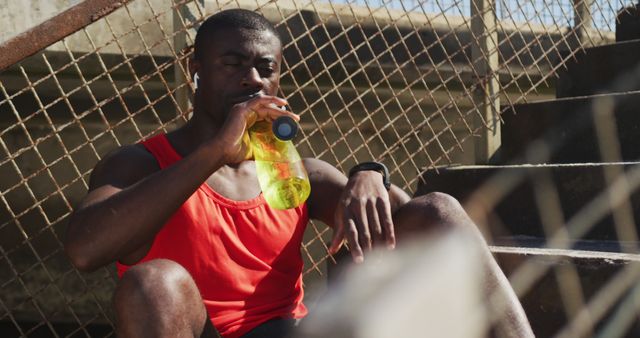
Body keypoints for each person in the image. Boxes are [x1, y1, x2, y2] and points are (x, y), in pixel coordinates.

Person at [64, 8, 534, 338]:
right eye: (232, 64)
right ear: (196, 69)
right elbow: (84, 251)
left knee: (441, 208)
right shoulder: (140, 163)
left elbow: (420, 223)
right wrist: (212, 153)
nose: (252, 79)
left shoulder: (292, 171)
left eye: (265, 68)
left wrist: (368, 172)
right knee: (154, 282)